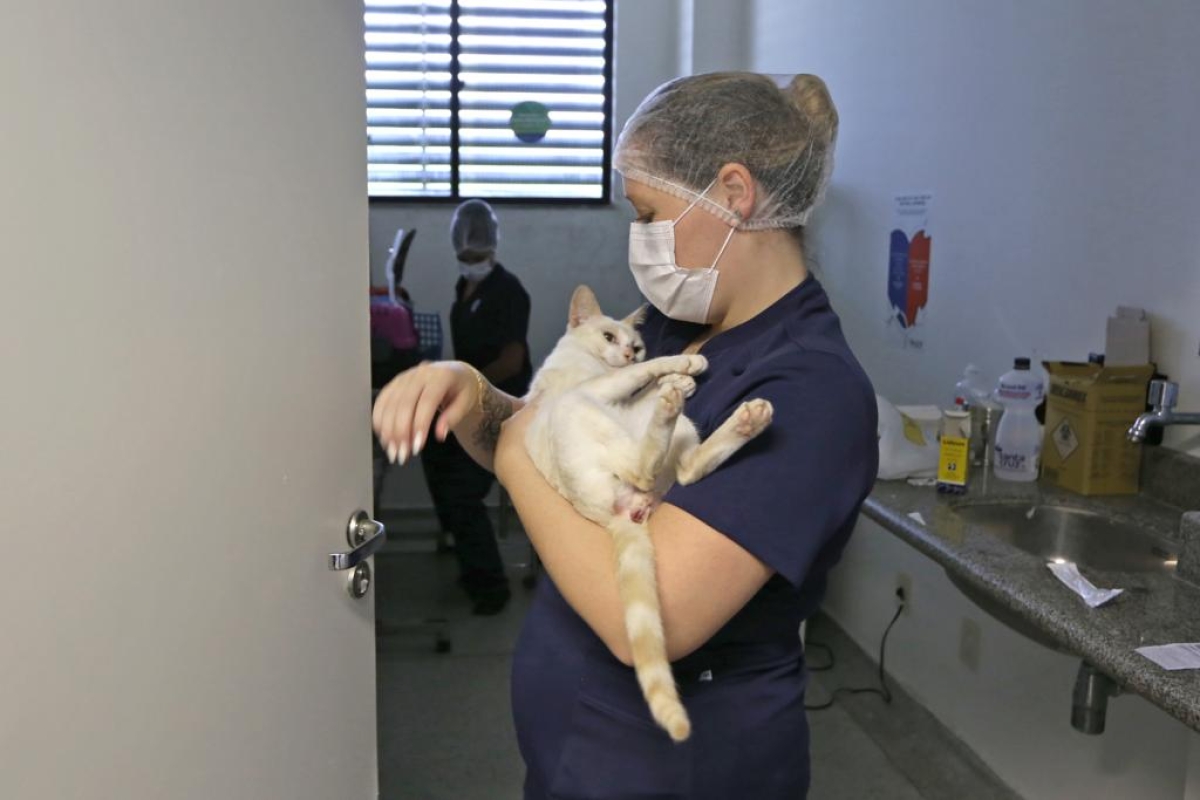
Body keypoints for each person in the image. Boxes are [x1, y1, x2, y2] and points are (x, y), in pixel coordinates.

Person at [373, 72, 878, 798]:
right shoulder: (673, 327)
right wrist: (472, 396)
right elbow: (558, 458)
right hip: (583, 743)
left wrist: (513, 450)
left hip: (682, 765)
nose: (637, 240)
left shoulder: (812, 389)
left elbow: (656, 613)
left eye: (647, 213)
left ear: (734, 193)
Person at [398, 199, 532, 616]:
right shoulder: (464, 288)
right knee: (433, 452)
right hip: (468, 404)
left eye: (476, 254)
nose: (469, 261)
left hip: (498, 409)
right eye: (464, 255)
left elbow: (511, 360)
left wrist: (467, 385)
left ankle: (491, 587)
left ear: (492, 247)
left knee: (461, 489)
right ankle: (466, 553)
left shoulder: (509, 292)